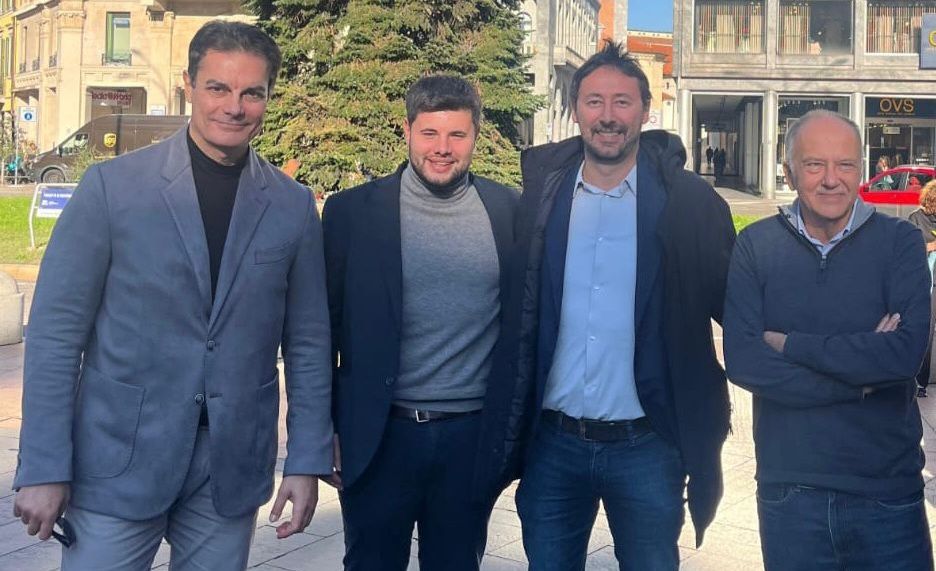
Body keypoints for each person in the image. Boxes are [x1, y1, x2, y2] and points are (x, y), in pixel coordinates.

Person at [12, 21, 333, 570]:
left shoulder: (292, 206)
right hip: (116, 461)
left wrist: (306, 460)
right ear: (188, 84)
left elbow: (308, 343)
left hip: (230, 466)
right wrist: (43, 466)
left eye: (251, 93)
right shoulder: (112, 189)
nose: (234, 107)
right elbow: (55, 336)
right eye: (218, 88)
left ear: (268, 96)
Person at [475, 41, 736, 570]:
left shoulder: (687, 203)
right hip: (552, 445)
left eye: (622, 101)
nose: (608, 116)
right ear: (576, 110)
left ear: (645, 111)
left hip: (648, 446)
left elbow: (737, 303)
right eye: (595, 101)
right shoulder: (541, 199)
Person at [322, 75, 518, 570]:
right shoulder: (351, 214)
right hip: (379, 436)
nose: (442, 148)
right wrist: (321, 431)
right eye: (429, 133)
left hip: (470, 440)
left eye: (457, 134)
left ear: (476, 136)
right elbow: (321, 332)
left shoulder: (509, 211)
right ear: (407, 131)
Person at [723, 109, 933, 570]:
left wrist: (791, 345)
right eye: (815, 164)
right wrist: (859, 381)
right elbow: (744, 361)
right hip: (790, 491)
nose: (832, 180)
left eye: (845, 165)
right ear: (789, 171)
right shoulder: (756, 246)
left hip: (887, 493)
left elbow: (903, 356)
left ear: (861, 169)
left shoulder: (900, 243)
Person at [908, 179, 936, 398]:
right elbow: (909, 250)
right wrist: (931, 246)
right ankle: (919, 381)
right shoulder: (916, 219)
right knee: (925, 333)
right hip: (928, 284)